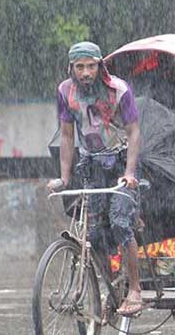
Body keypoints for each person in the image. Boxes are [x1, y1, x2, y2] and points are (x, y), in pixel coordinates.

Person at [47, 41, 145, 316]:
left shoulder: (118, 90)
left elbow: (134, 131)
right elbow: (67, 135)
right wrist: (64, 178)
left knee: (120, 223)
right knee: (93, 234)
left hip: (121, 162)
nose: (86, 73)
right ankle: (109, 290)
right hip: (91, 165)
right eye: (80, 67)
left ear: (100, 66)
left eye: (91, 66)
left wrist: (129, 172)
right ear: (71, 69)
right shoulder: (65, 92)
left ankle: (135, 289)